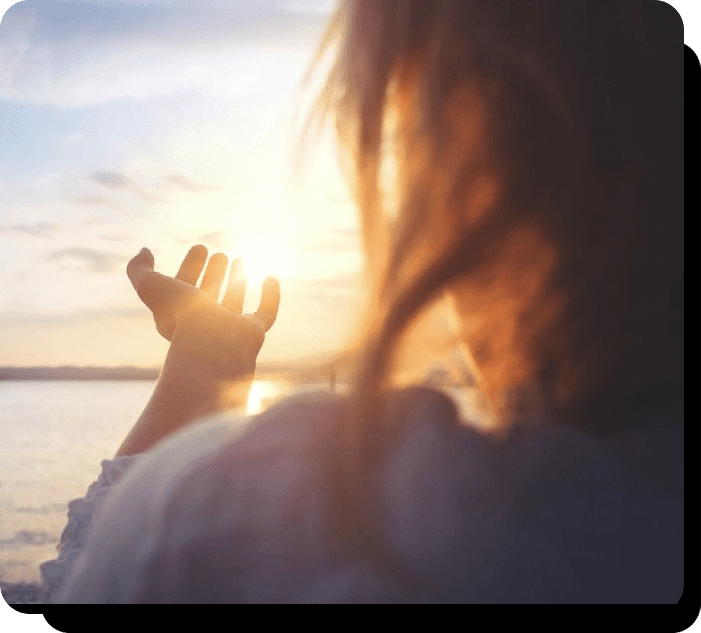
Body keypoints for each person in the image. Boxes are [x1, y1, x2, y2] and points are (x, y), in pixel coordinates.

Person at [39, 0, 683, 603]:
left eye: (411, 150)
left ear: (478, 179)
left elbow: (91, 579)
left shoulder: (260, 514)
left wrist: (203, 363)